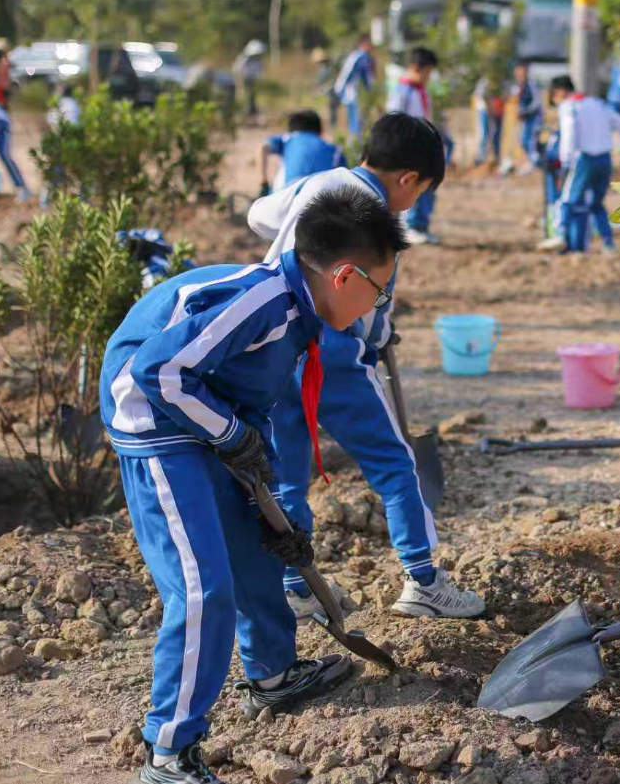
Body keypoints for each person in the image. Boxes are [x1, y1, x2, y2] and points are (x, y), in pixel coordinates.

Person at [101, 185, 410, 784]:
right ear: (345, 277)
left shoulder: (300, 310)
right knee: (202, 589)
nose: (380, 305)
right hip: (155, 422)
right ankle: (169, 752)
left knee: (260, 547)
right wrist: (230, 435)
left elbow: (249, 396)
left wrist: (264, 484)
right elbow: (159, 370)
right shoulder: (265, 301)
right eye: (380, 291)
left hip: (203, 415)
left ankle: (272, 675)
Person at [247, 113, 484, 622]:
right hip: (331, 346)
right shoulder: (376, 221)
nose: (412, 203)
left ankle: (297, 586)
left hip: (273, 333)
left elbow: (259, 217)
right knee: (395, 464)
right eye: (419, 192)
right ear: (408, 179)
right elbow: (373, 315)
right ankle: (423, 580)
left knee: (287, 471)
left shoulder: (320, 181)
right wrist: (375, 345)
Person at [542, 75, 620, 254]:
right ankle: (609, 244)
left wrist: (565, 161)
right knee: (597, 204)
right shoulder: (598, 103)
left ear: (560, 92)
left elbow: (569, 134)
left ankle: (560, 236)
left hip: (583, 159)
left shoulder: (569, 107)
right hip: (605, 160)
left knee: (567, 200)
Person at [387, 47, 441, 244]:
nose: (428, 78)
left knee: (426, 187)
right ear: (416, 68)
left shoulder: (420, 91)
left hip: (423, 147)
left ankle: (421, 225)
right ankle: (409, 226)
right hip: (408, 149)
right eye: (427, 73)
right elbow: (394, 121)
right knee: (411, 189)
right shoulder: (402, 91)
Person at [260, 110, 346, 194]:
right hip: (322, 199)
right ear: (320, 132)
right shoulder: (335, 150)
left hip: (288, 193)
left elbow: (263, 148)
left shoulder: (288, 139)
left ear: (291, 130)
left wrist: (263, 182)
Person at [333, 36, 375, 138]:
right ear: (363, 45)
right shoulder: (361, 56)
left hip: (352, 90)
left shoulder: (356, 55)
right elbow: (349, 74)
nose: (371, 48)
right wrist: (370, 88)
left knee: (354, 115)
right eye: (369, 45)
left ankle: (355, 138)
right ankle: (356, 140)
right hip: (352, 90)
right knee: (356, 116)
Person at [511, 60, 543, 175]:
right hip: (526, 119)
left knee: (532, 142)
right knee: (524, 141)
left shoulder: (531, 85)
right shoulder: (518, 86)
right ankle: (534, 163)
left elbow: (537, 102)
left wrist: (525, 111)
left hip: (534, 118)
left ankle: (535, 164)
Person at [473, 75, 506, 167]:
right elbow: (479, 96)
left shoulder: (501, 82)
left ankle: (494, 156)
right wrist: (489, 108)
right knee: (484, 133)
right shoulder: (485, 81)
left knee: (494, 133)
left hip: (494, 111)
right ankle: (481, 157)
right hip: (484, 110)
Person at [233, 40, 267, 119]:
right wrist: (239, 79)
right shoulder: (243, 58)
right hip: (244, 79)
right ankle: (244, 111)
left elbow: (260, 70)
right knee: (244, 95)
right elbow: (237, 69)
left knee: (252, 95)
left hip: (253, 80)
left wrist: (261, 79)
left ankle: (252, 110)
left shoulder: (258, 59)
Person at [311, 48, 340, 132]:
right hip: (330, 90)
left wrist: (320, 89)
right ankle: (333, 127)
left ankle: (333, 128)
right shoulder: (327, 66)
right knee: (331, 109)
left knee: (332, 109)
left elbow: (329, 81)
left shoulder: (326, 68)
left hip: (333, 90)